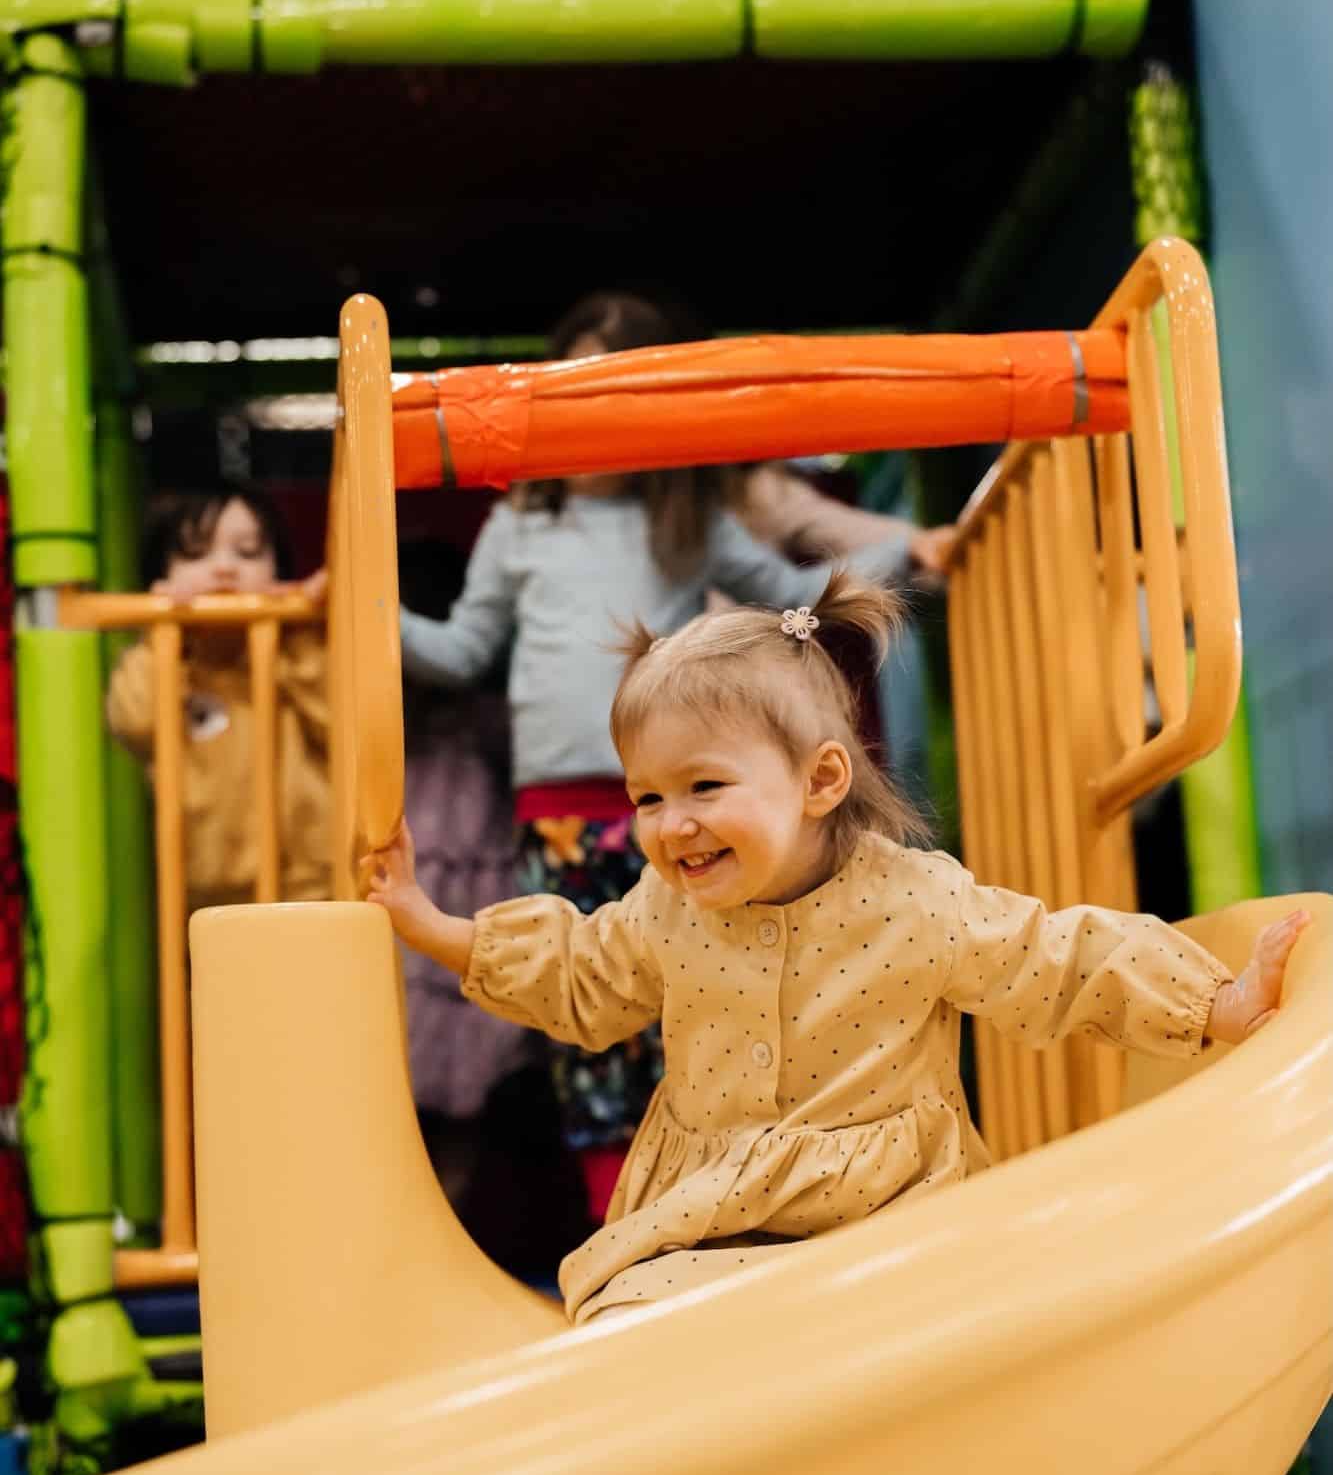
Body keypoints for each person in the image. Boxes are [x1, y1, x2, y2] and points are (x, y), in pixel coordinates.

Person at [366, 571, 1310, 1325]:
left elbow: (1055, 958)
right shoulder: (667, 906)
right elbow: (585, 972)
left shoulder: (913, 902)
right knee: (625, 1317)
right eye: (647, 796)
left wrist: (1215, 1002)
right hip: (708, 1214)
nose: (671, 824)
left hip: (889, 1214)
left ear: (821, 779)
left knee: (937, 1317)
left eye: (703, 785)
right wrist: (427, 920)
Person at [398, 291, 950, 1222]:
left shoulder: (686, 520)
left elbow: (792, 590)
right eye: (573, 396)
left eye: (617, 398)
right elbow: (459, 650)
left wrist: (909, 548)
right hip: (562, 809)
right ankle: (627, 1218)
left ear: (655, 412)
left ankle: (730, 1211)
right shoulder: (523, 524)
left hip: (681, 797)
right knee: (594, 1023)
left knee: (706, 1002)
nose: (595, 422)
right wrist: (361, 608)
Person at [106, 485, 331, 912]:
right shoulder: (164, 661)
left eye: (248, 553)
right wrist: (161, 637)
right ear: (162, 576)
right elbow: (136, 721)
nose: (225, 568)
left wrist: (299, 630)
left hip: (312, 887)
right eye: (196, 554)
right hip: (209, 897)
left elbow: (344, 723)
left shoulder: (297, 652)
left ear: (279, 571)